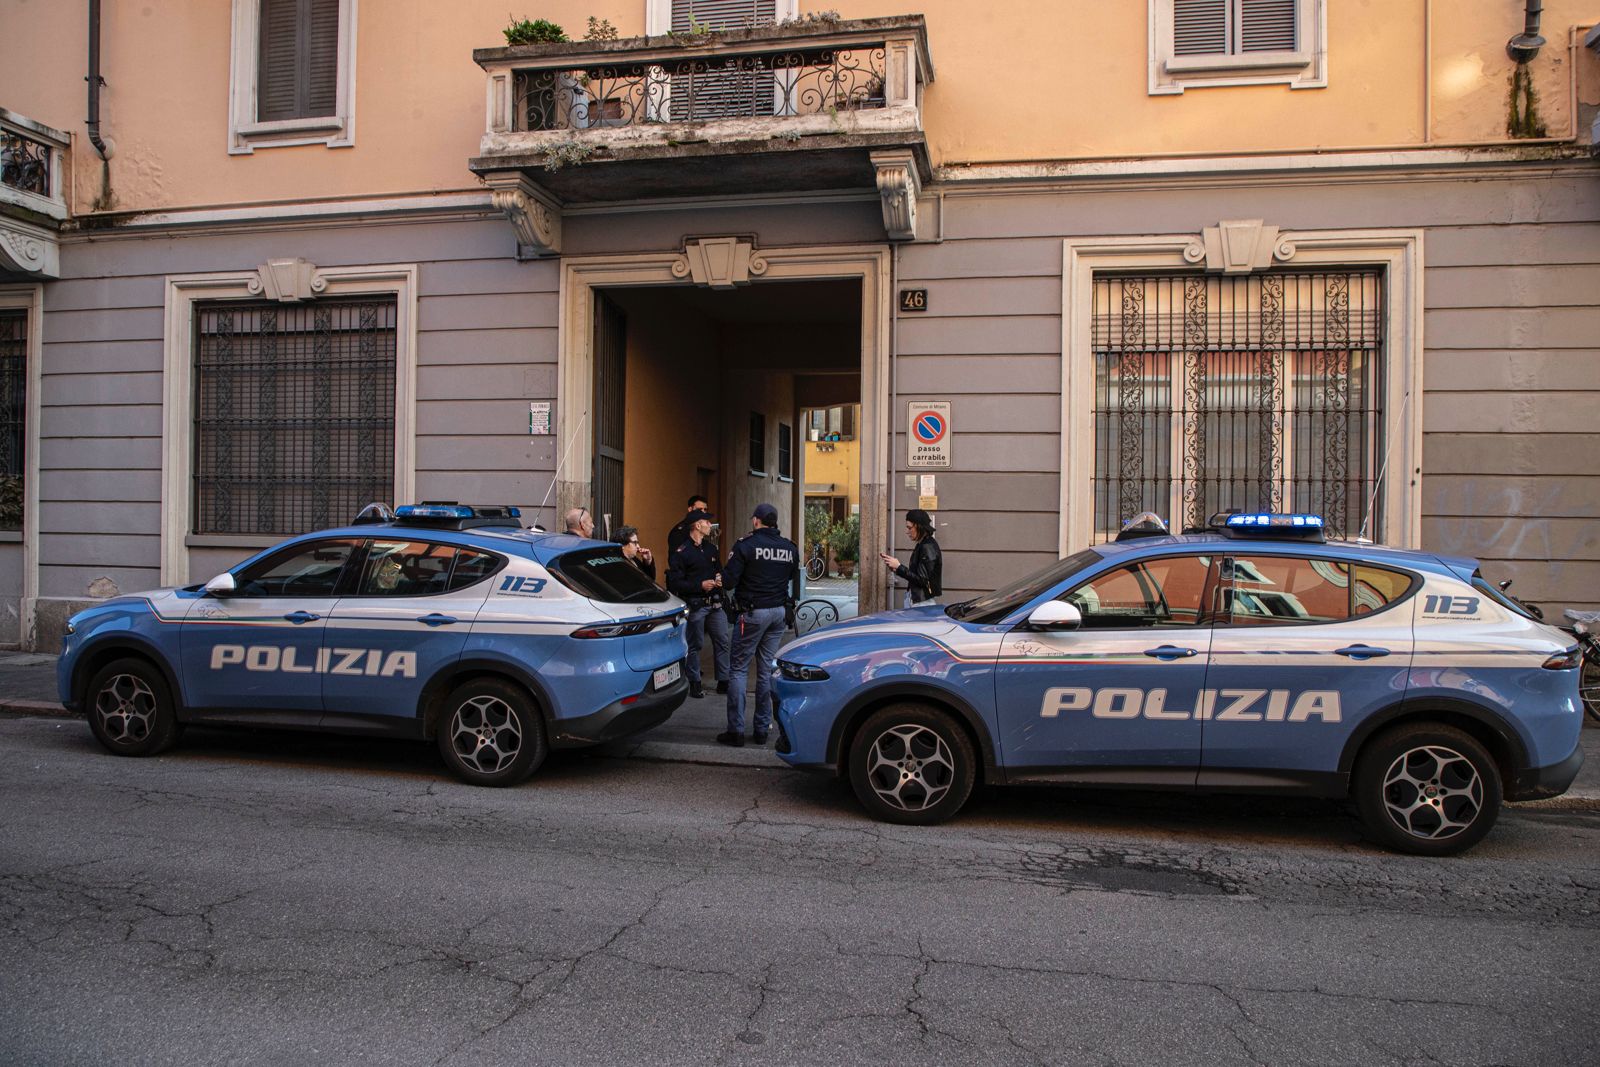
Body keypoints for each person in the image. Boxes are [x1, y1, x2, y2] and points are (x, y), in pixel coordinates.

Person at [719, 502, 800, 747]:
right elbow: (791, 580)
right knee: (765, 671)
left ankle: (736, 731)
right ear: (775, 523)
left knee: (739, 669)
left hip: (752, 614)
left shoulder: (746, 545)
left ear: (756, 521)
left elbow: (729, 582)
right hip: (777, 613)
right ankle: (762, 729)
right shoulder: (789, 548)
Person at [666, 509, 730, 699]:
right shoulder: (682, 553)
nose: (710, 525)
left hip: (715, 604)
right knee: (695, 644)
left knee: (722, 640)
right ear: (697, 525)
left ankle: (724, 681)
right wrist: (699, 585)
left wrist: (719, 579)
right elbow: (675, 583)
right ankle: (694, 682)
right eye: (707, 522)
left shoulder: (711, 549)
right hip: (696, 605)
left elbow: (719, 570)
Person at [880, 508, 942, 608]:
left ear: (918, 526)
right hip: (917, 600)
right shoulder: (922, 544)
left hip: (921, 604)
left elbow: (923, 581)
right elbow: (917, 575)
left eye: (909, 528)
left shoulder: (927, 547)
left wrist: (899, 567)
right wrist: (896, 568)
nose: (907, 532)